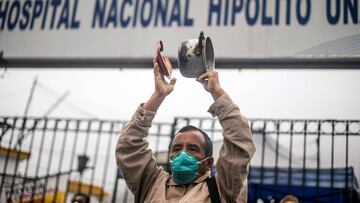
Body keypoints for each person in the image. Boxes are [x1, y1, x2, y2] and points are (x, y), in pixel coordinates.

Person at [115, 56, 256, 202]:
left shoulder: (223, 189)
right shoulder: (152, 183)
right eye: (176, 148)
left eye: (192, 148)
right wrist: (158, 95)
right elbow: (128, 147)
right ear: (170, 157)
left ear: (208, 163)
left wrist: (217, 92)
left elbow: (240, 139)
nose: (183, 153)